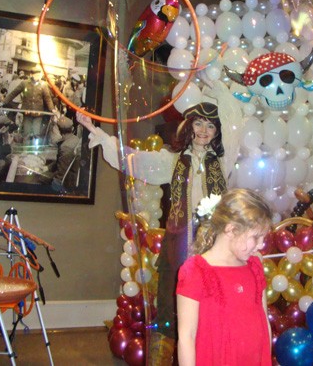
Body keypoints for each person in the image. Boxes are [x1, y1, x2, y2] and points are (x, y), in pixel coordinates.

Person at [76, 83, 242, 364]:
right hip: (179, 244)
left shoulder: (223, 161)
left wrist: (216, 83)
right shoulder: (173, 161)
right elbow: (134, 159)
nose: (203, 130)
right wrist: (97, 132)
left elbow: (233, 118)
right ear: (189, 127)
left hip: (216, 245)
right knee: (171, 304)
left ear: (217, 132)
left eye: (210, 126)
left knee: (213, 304)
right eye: (198, 123)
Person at [176, 188, 273, 366]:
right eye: (256, 237)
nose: (261, 245)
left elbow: (263, 320)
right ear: (231, 230)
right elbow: (186, 337)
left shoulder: (254, 266)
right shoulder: (195, 270)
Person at [0, 68, 59, 142]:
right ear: (31, 75)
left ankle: (35, 147)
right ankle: (25, 146)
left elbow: (47, 98)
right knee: (26, 133)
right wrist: (4, 102)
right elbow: (13, 93)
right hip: (27, 113)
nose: (38, 77)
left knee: (36, 133)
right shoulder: (24, 83)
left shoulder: (43, 85)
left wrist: (52, 109)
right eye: (36, 75)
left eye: (38, 75)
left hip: (38, 113)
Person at [51, 116, 81, 192]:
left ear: (58, 130)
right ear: (72, 129)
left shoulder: (65, 147)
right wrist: (48, 167)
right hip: (72, 178)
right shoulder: (76, 139)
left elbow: (60, 174)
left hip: (66, 183)